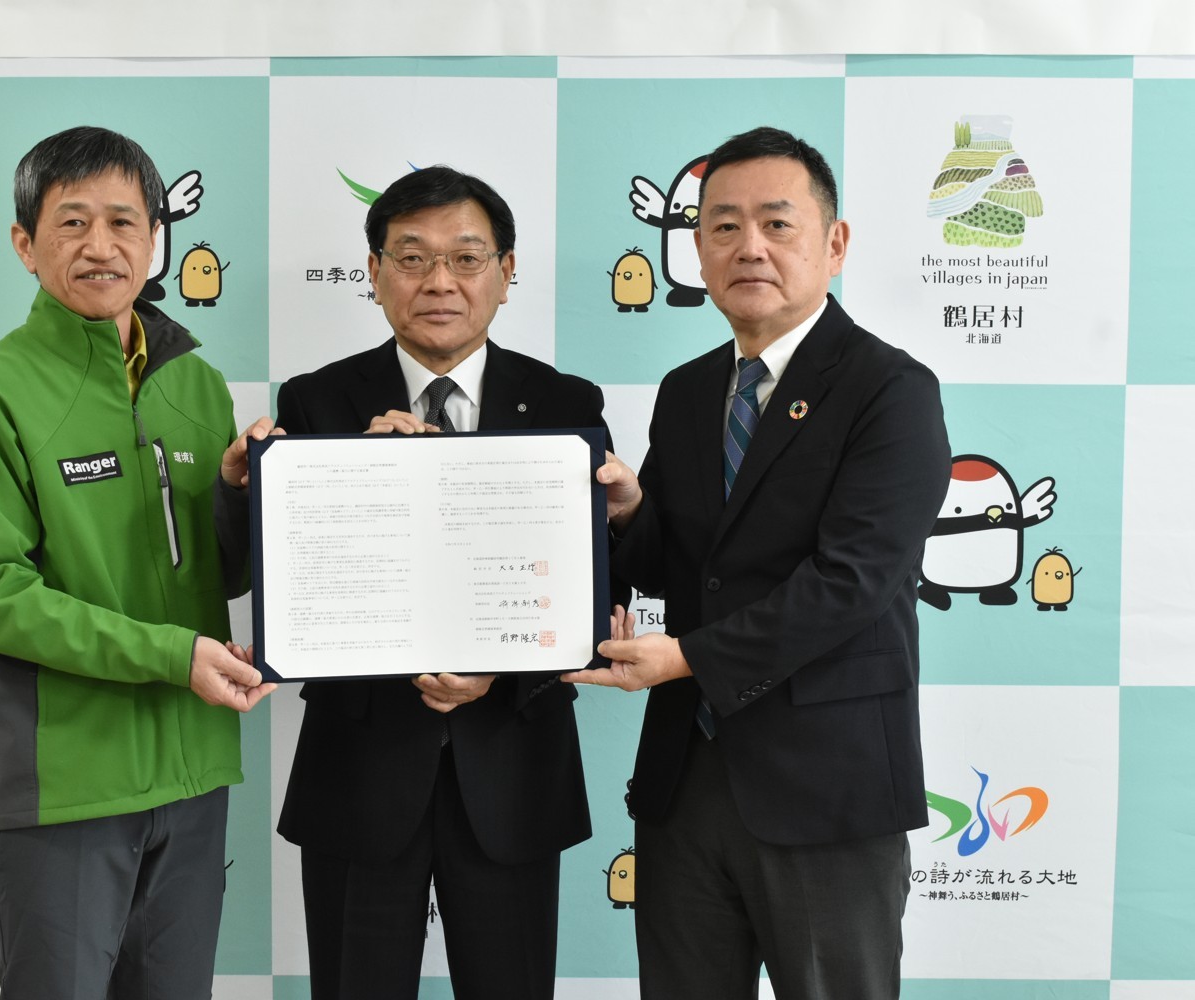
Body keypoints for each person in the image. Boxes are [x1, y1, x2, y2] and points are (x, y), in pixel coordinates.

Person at [567, 126, 951, 999]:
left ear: (834, 243)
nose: (749, 247)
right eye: (724, 226)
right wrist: (628, 510)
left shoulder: (891, 390)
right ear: (698, 249)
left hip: (827, 788)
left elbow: (851, 582)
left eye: (777, 224)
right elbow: (680, 564)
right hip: (686, 780)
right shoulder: (689, 389)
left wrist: (687, 659)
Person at [0, 125, 276, 1000]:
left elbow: (216, 574)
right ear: (24, 244)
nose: (100, 246)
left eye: (123, 222)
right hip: (63, 787)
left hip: (193, 774)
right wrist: (173, 656)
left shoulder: (196, 384)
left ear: (156, 240)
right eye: (71, 223)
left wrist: (240, 495)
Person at [275, 165, 609, 1000]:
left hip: (514, 765)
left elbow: (592, 586)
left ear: (506, 271)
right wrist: (358, 482)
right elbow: (294, 583)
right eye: (412, 258)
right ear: (374, 272)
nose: (439, 282)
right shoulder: (317, 402)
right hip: (360, 769)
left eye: (466, 258)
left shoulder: (565, 402)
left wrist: (506, 666)